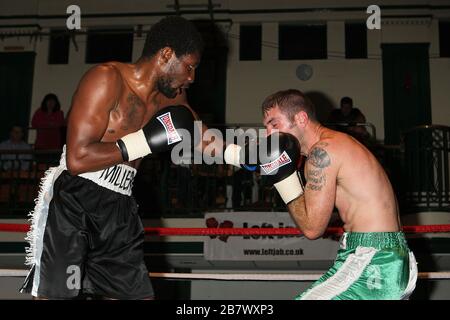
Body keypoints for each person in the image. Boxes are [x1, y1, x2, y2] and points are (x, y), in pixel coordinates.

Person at [21, 16, 204, 299]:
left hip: (120, 206)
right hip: (74, 198)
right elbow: (77, 159)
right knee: (59, 296)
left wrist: (247, 153)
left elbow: (202, 136)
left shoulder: (171, 98)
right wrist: (142, 143)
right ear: (166, 55)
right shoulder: (106, 78)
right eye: (189, 67)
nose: (191, 78)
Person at [233, 89, 418, 299]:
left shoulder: (322, 152)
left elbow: (312, 228)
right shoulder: (337, 143)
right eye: (266, 128)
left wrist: (284, 178)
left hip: (374, 260)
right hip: (389, 256)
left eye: (275, 125)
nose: (269, 135)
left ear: (301, 118)